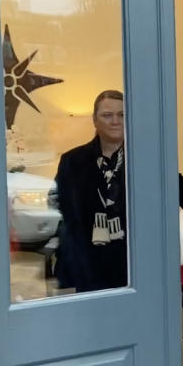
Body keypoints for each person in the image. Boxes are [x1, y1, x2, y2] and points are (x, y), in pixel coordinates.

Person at [55, 90, 128, 292]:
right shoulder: (72, 161)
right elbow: (62, 209)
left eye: (122, 114)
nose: (115, 121)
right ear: (94, 120)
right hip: (84, 269)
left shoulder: (146, 159)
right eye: (107, 115)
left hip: (131, 270)